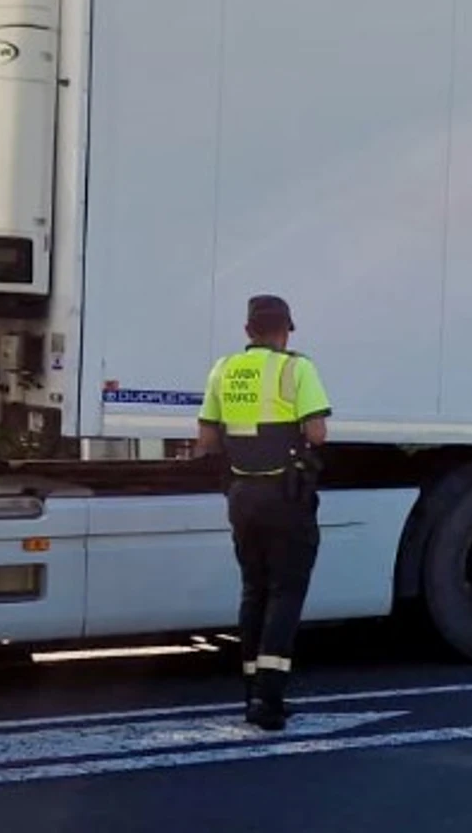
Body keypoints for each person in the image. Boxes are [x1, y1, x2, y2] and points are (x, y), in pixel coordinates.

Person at [195, 294, 333, 731]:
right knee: (285, 593)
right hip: (285, 497)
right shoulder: (297, 368)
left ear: (247, 332)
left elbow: (207, 440)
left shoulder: (223, 369)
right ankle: (268, 701)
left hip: (241, 495)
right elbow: (318, 432)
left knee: (254, 590)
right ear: (285, 330)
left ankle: (252, 689)